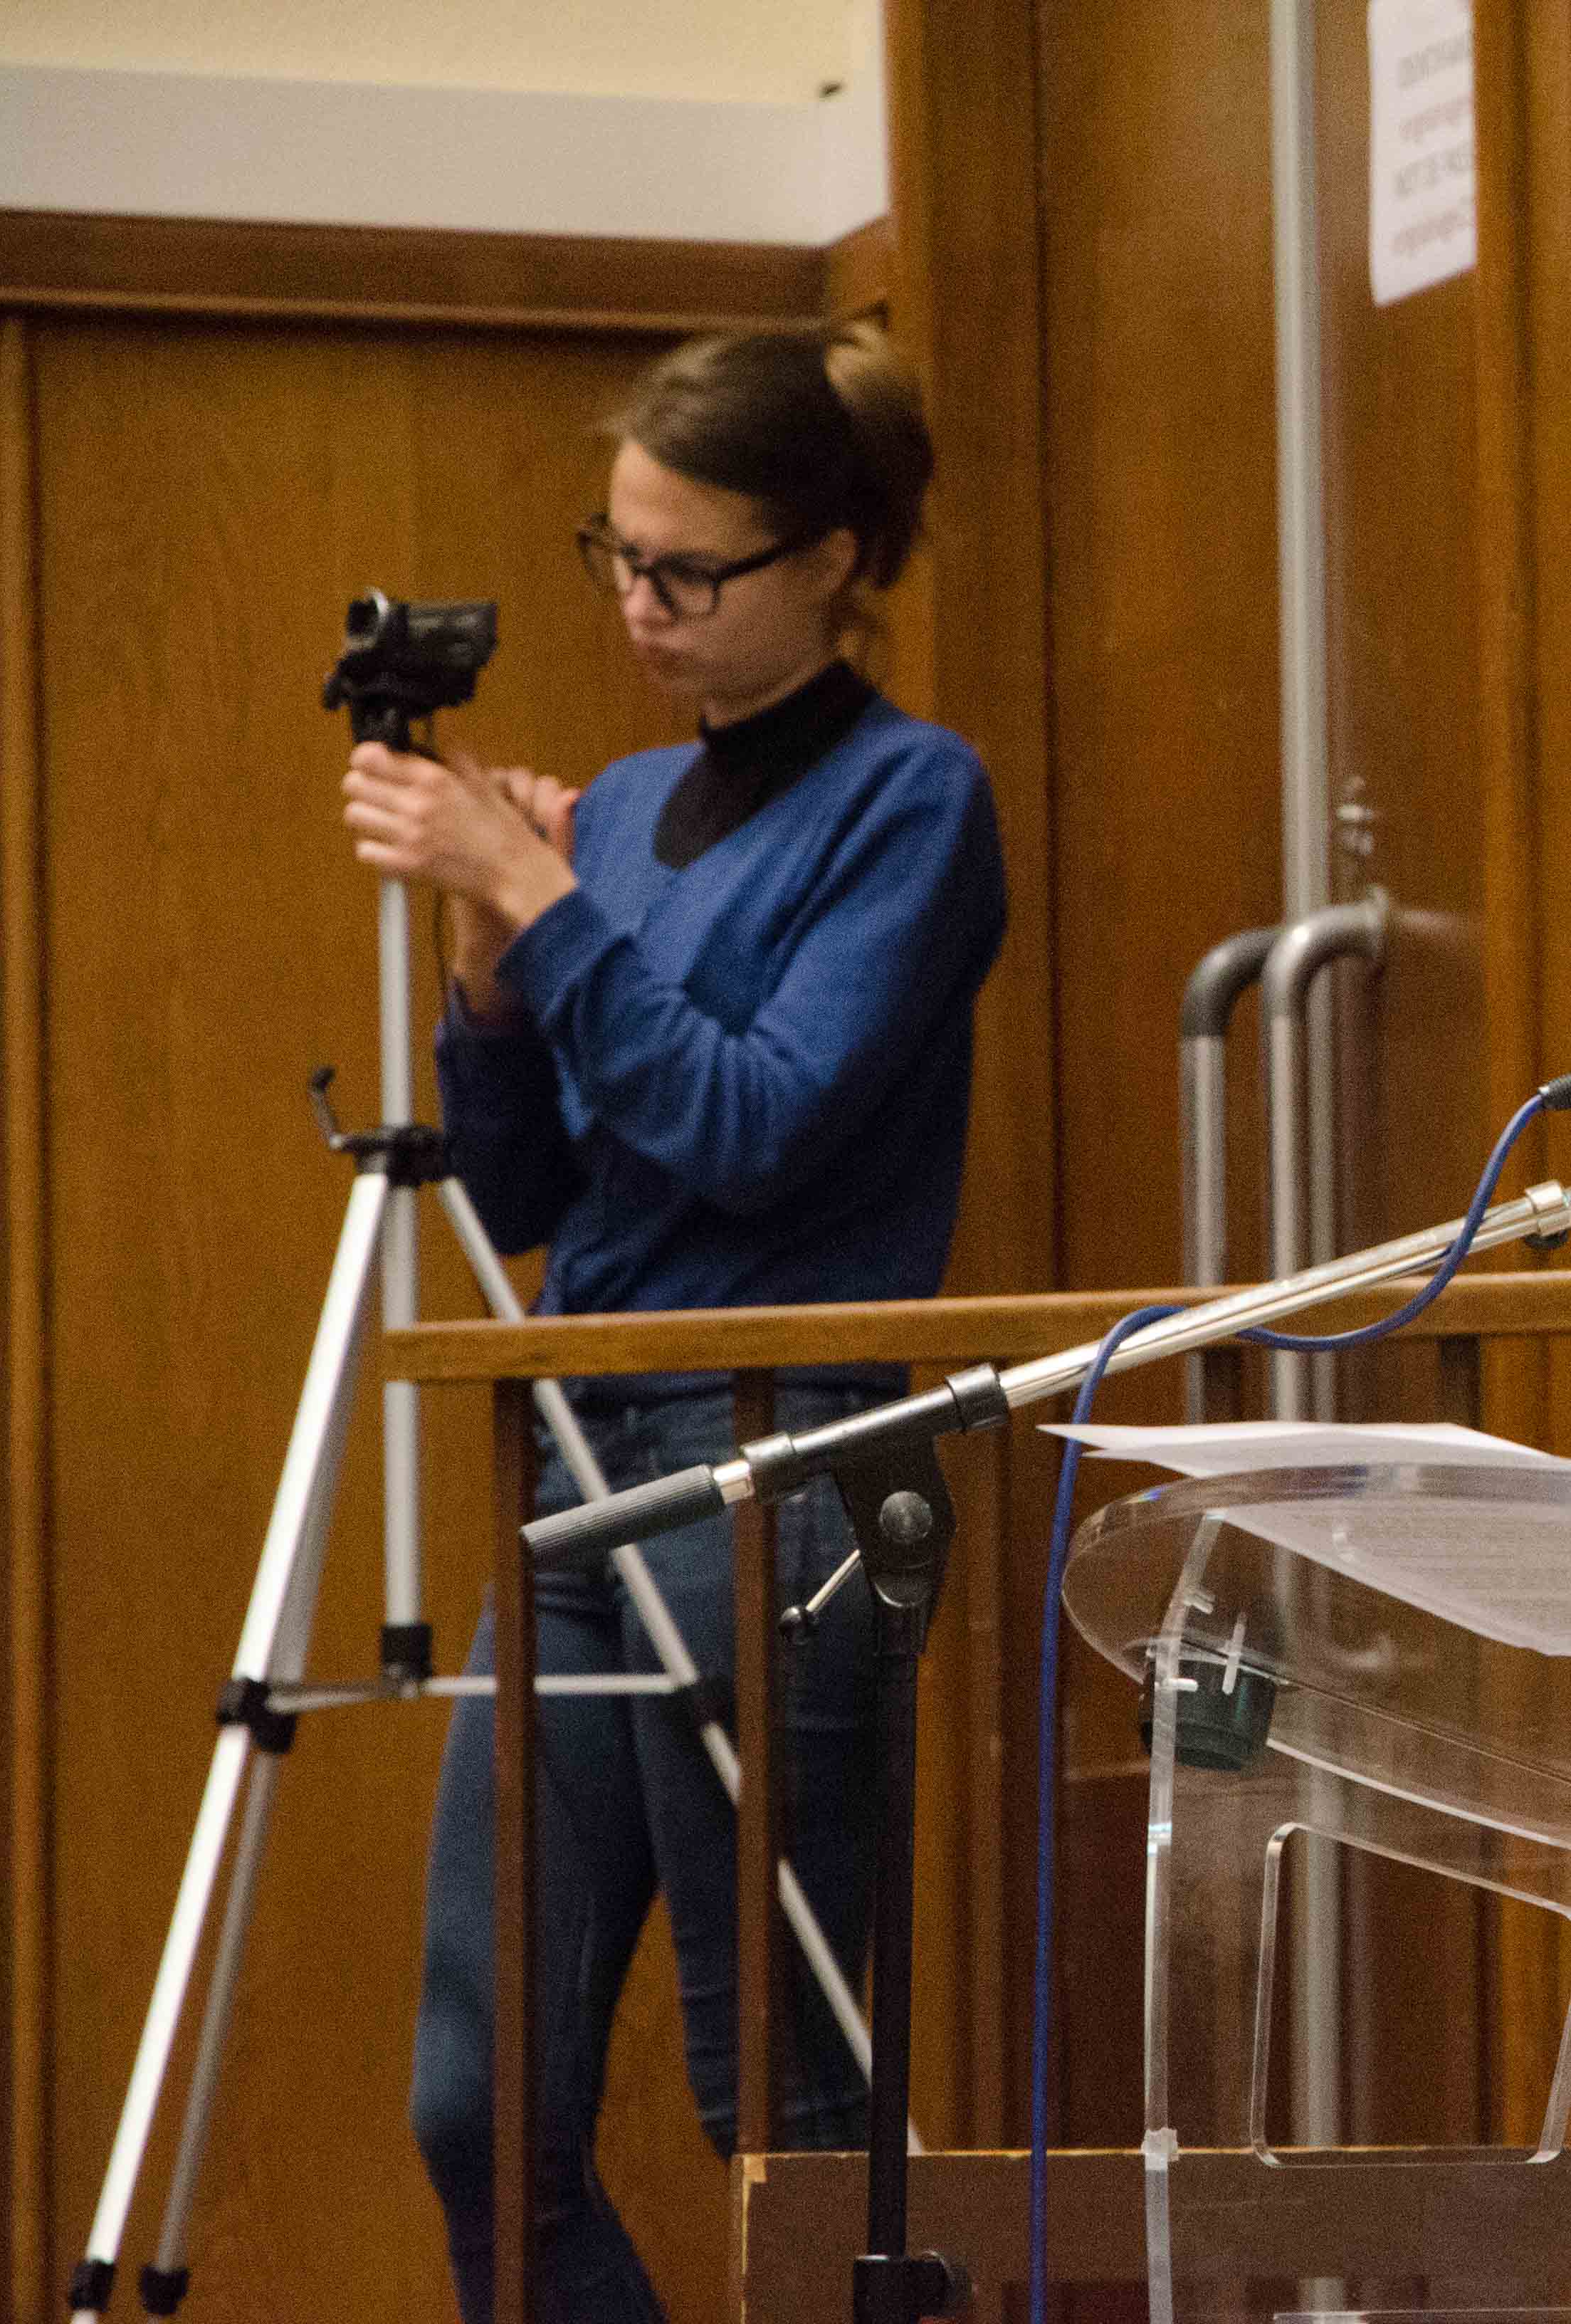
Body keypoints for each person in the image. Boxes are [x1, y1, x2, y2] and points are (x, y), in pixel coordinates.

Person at [337, 322, 1007, 2323]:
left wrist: (542, 909)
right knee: (480, 2106)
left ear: (832, 560)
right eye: (618, 558)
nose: (640, 606)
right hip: (579, 1457)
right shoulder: (625, 810)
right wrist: (492, 973)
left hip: (788, 1461)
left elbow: (753, 1124)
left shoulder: (916, 801)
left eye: (689, 571)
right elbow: (526, 1201)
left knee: (778, 2104)